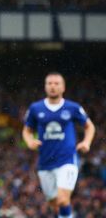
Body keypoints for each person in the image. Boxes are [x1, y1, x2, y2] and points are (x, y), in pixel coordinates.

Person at [22, 72, 96, 218]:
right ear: (45, 87)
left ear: (63, 87)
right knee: (54, 204)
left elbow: (89, 126)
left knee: (63, 200)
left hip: (67, 159)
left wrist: (87, 142)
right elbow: (27, 130)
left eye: (56, 84)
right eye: (49, 83)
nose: (53, 87)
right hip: (45, 162)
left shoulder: (72, 107)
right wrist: (29, 141)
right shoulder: (36, 108)